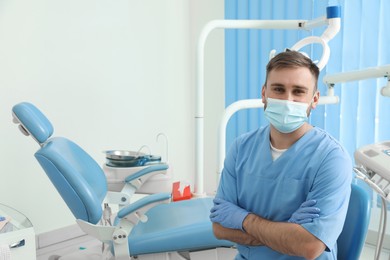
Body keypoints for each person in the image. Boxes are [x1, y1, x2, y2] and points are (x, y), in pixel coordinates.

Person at [210, 50, 352, 259]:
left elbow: (309, 246)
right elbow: (220, 228)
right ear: (264, 93)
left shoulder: (331, 158)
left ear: (314, 99)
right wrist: (288, 231)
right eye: (278, 89)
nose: (287, 100)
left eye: (298, 91)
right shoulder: (241, 148)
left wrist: (244, 220)